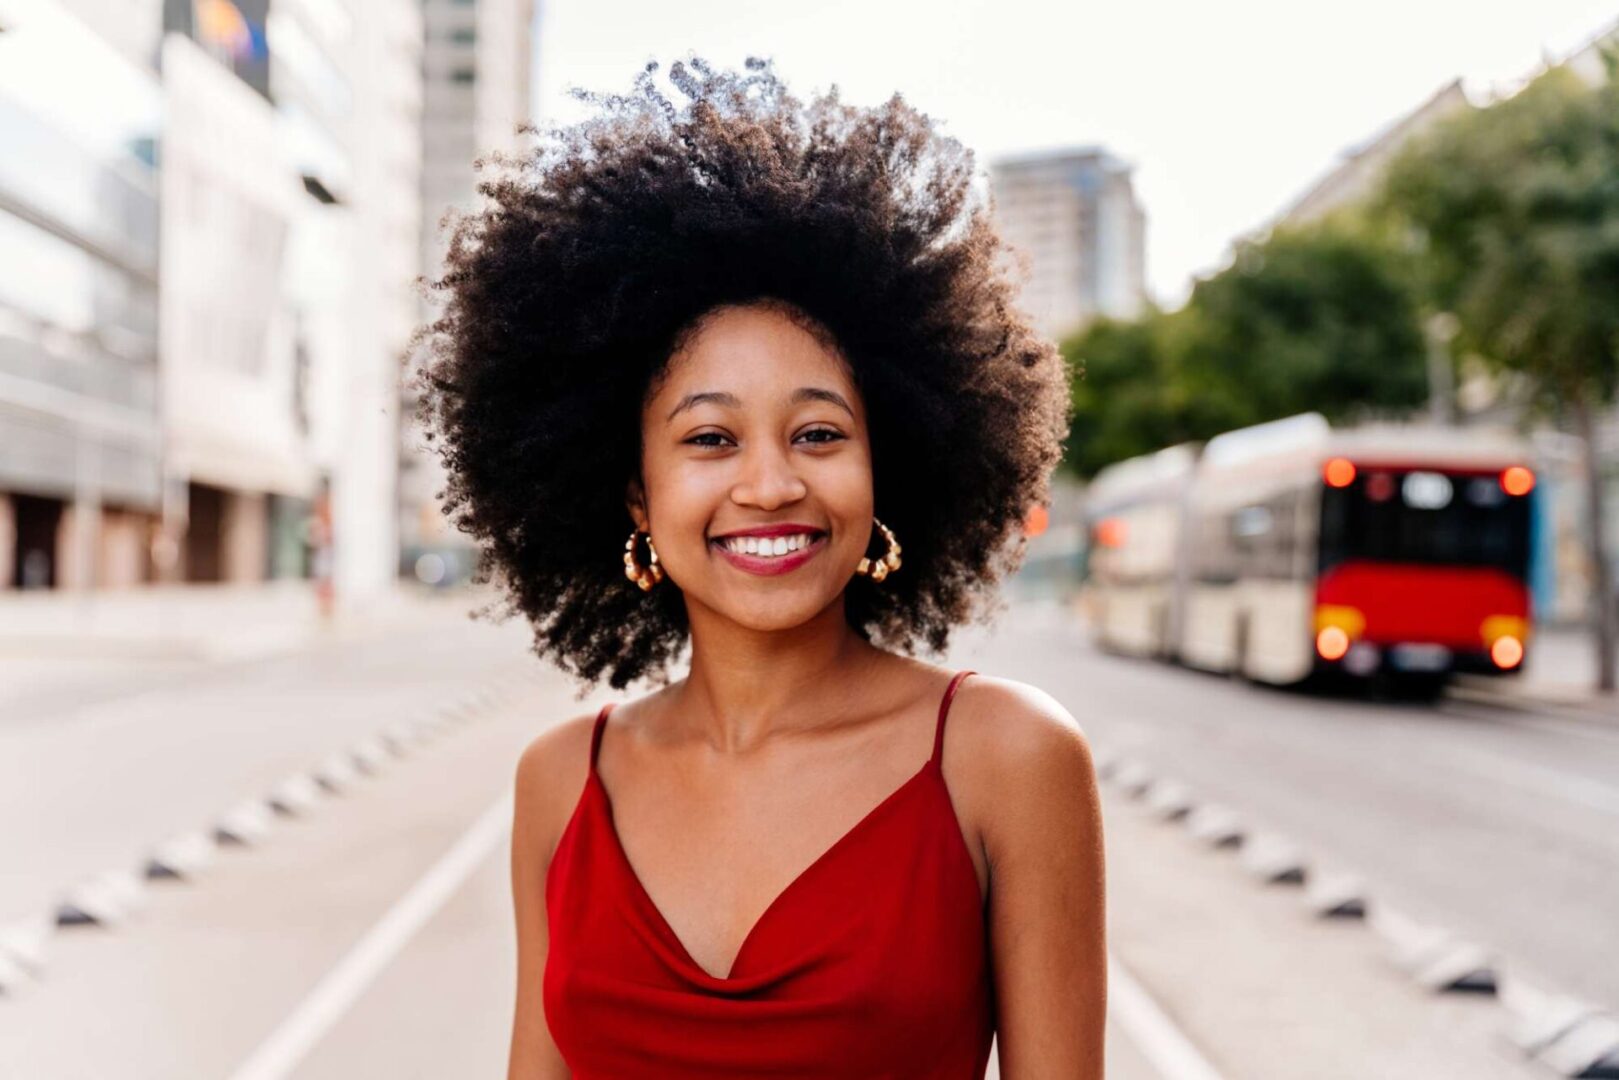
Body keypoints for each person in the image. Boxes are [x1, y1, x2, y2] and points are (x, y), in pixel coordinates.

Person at [412, 55, 1106, 1079]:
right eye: (708, 440)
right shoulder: (562, 783)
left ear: (890, 464)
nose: (771, 484)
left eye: (818, 434)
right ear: (635, 495)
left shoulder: (1005, 758)